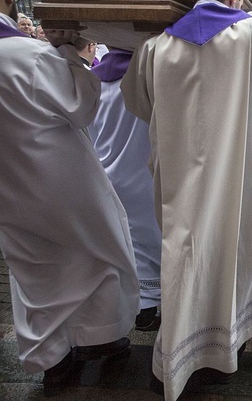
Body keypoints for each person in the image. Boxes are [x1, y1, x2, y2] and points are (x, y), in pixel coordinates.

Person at [122, 0, 252, 400]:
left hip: (183, 183)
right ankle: (229, 346)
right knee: (237, 254)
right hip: (243, 178)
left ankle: (183, 356)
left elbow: (137, 100)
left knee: (189, 261)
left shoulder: (157, 48)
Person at [0, 0, 139, 397]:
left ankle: (53, 363)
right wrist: (73, 51)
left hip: (9, 191)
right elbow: (81, 105)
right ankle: (102, 338)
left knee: (35, 275)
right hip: (62, 186)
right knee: (100, 257)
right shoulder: (27, 56)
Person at [87, 49, 163, 332]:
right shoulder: (148, 76)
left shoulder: (90, 80)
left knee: (127, 244)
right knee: (153, 243)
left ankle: (138, 306)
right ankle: (154, 303)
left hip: (107, 175)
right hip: (143, 174)